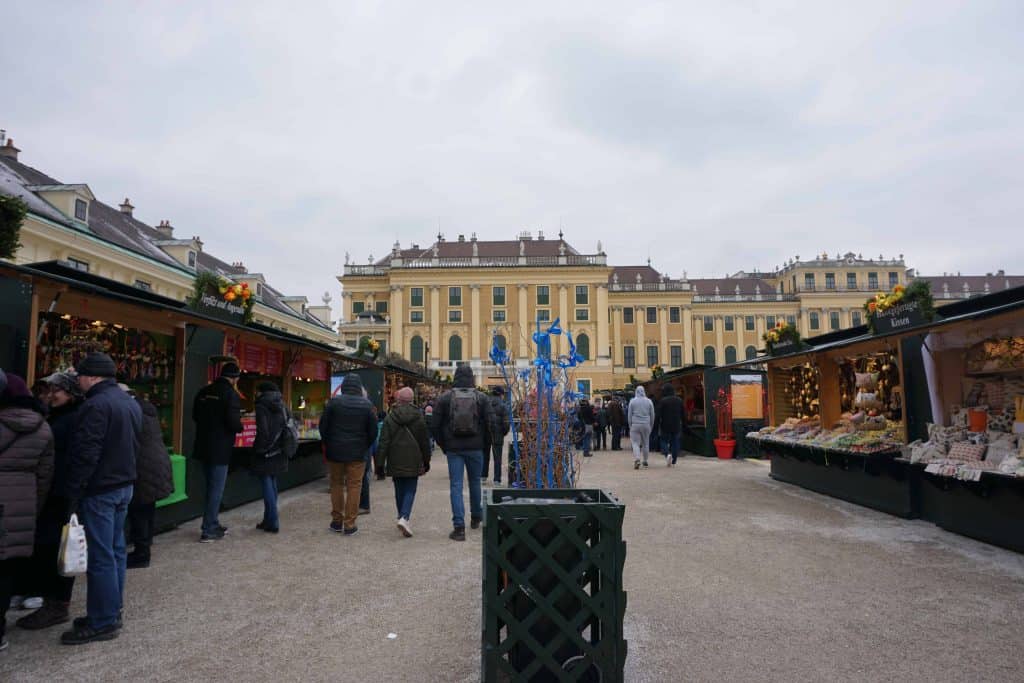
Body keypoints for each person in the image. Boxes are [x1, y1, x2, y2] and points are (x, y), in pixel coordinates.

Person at [62, 352, 141, 645]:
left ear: (93, 376)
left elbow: (86, 453)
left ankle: (104, 620)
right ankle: (110, 609)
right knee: (116, 551)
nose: (78, 381)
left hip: (101, 488)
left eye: (80, 376)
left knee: (101, 555)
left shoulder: (95, 405)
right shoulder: (128, 402)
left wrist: (74, 490)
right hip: (124, 485)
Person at [17, 372, 79, 630]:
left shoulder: (69, 420)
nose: (52, 395)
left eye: (58, 390)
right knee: (48, 546)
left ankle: (55, 603)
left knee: (56, 547)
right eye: (50, 390)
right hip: (54, 491)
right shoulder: (59, 417)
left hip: (60, 492)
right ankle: (43, 596)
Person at [0, 371, 54, 652]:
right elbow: (45, 475)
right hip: (22, 502)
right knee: (6, 565)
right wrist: (34, 504)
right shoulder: (43, 429)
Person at [432, 365, 492, 541]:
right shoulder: (482, 397)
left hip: (454, 449)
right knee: (475, 483)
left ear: (455, 377)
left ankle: (459, 527)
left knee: (456, 486)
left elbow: (434, 426)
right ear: (472, 377)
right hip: (476, 447)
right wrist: (484, 444)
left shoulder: (445, 398)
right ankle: (476, 516)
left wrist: (445, 445)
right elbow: (490, 424)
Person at [318, 373, 377, 536]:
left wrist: (329, 442)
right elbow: (373, 432)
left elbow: (323, 427)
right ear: (359, 387)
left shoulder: (333, 403)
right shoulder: (366, 405)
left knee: (336, 484)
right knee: (354, 486)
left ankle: (337, 521)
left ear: (343, 386)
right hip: (357, 452)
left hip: (335, 451)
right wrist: (364, 445)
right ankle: (350, 524)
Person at [192, 363, 243, 543]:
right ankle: (209, 529)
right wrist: (240, 424)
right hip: (220, 449)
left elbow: (195, 416)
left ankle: (212, 521)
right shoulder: (231, 395)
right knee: (216, 490)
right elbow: (234, 424)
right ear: (235, 378)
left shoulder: (204, 391)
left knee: (209, 487)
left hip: (202, 446)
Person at [124, 386, 173, 567]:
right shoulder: (148, 411)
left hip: (142, 466)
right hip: (156, 462)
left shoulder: (131, 412)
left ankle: (142, 553)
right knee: (146, 509)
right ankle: (145, 545)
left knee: (139, 511)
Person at [374, 387, 430, 537]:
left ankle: (401, 517)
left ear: (398, 400)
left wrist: (379, 464)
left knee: (399, 489)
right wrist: (427, 460)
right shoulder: (419, 416)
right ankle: (404, 517)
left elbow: (383, 442)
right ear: (412, 400)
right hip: (414, 458)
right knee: (410, 489)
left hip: (395, 458)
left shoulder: (390, 417)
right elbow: (424, 441)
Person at [249, 381, 288, 534]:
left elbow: (263, 431)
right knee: (272, 483)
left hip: (265, 451)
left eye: (257, 391)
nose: (255, 394)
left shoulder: (261, 406)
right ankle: (268, 519)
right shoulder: (282, 404)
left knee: (266, 484)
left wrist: (258, 449)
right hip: (279, 449)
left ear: (262, 392)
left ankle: (272, 521)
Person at [656, 383, 693, 466]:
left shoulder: (663, 401)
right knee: (675, 442)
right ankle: (674, 459)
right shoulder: (679, 400)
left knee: (663, 441)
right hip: (676, 425)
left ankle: (667, 454)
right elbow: (683, 415)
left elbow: (658, 415)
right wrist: (684, 425)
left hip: (665, 425)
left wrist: (656, 424)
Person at [484, 387, 510, 485]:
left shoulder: (486, 404)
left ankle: (483, 476)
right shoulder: (503, 406)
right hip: (498, 434)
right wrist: (503, 432)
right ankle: (497, 479)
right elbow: (506, 423)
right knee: (497, 457)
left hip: (486, 433)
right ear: (501, 394)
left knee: (485, 455)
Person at [628, 385, 655, 470]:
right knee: (646, 443)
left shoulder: (632, 401)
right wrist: (651, 425)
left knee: (635, 443)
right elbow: (652, 415)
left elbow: (629, 415)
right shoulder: (649, 401)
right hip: (646, 424)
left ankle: (637, 459)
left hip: (635, 424)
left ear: (636, 391)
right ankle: (645, 461)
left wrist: (630, 425)